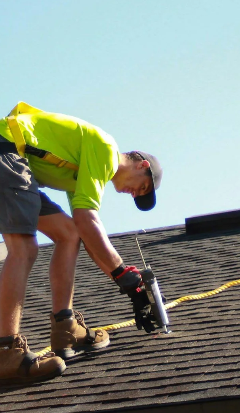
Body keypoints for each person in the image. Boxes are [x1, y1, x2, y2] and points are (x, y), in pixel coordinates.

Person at [0, 102, 163, 385]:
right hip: (5, 154)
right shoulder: (106, 149)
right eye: (143, 186)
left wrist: (125, 282)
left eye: (139, 195)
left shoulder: (83, 175)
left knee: (68, 233)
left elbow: (85, 232)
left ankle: (65, 328)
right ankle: (5, 352)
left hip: (16, 165)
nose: (134, 193)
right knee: (24, 248)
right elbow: (90, 220)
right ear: (142, 165)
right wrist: (123, 274)